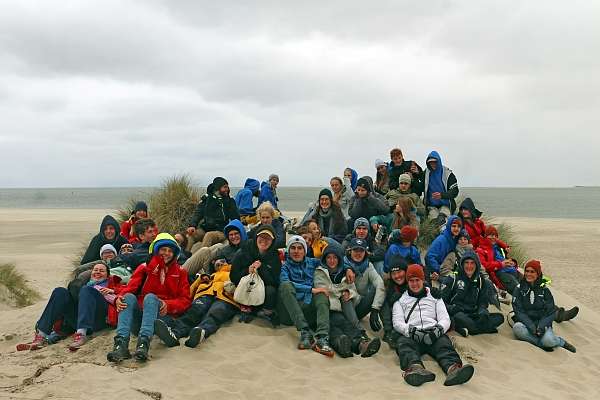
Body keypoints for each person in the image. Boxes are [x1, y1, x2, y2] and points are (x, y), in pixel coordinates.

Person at [106, 233, 191, 363]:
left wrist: (168, 305)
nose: (167, 253)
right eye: (163, 250)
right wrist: (118, 298)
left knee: (151, 297)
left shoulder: (181, 272)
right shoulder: (144, 268)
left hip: (162, 317)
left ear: (175, 254)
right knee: (127, 297)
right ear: (156, 250)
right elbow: (129, 288)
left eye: (170, 251)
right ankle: (121, 344)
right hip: (140, 317)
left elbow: (185, 300)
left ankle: (143, 344)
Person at [393, 264, 475, 387]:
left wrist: (438, 330)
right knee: (404, 345)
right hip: (413, 334)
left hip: (433, 332)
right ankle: (415, 368)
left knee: (444, 345)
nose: (415, 284)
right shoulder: (400, 300)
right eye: (411, 281)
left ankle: (453, 369)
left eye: (417, 280)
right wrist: (412, 332)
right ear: (407, 282)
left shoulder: (435, 296)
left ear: (423, 280)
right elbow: (397, 322)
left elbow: (444, 317)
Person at [18, 263, 123, 351]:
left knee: (86, 290)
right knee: (60, 291)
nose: (98, 272)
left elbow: (126, 291)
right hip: (79, 319)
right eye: (95, 270)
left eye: (102, 270)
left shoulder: (112, 284)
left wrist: (113, 292)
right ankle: (41, 335)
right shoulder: (84, 285)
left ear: (108, 275)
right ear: (91, 274)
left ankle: (81, 335)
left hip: (99, 320)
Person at [153, 261, 239, 348]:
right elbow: (190, 290)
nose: (220, 264)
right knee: (193, 313)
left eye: (222, 262)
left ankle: (201, 332)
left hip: (225, 298)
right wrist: (200, 280)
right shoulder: (210, 276)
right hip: (204, 295)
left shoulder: (234, 272)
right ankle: (175, 333)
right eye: (217, 264)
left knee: (215, 314)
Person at [278, 236, 334, 357]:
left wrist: (349, 268)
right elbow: (285, 282)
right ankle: (305, 332)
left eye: (300, 248)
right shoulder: (284, 267)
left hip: (307, 309)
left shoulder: (312, 262)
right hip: (289, 313)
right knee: (286, 286)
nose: (296, 251)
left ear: (305, 250)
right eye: (293, 248)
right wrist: (311, 289)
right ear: (289, 250)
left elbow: (333, 261)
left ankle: (322, 338)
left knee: (322, 293)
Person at [512, 260, 576, 353]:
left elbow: (550, 313)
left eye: (532, 272)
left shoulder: (545, 290)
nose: (528, 274)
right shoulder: (519, 289)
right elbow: (519, 311)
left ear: (538, 274)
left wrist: (541, 327)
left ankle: (560, 342)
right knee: (517, 328)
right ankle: (541, 344)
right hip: (526, 324)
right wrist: (531, 326)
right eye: (527, 271)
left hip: (543, 325)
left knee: (548, 340)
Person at [441, 251, 504, 337]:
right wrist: (452, 308)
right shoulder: (452, 279)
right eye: (466, 263)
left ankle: (470, 328)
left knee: (500, 318)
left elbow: (482, 302)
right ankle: (480, 329)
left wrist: (482, 311)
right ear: (462, 264)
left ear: (476, 265)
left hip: (474, 314)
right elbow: (441, 302)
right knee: (460, 318)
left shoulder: (481, 281)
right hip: (457, 313)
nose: (469, 266)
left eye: (472, 263)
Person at [230, 225, 282, 322]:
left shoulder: (275, 256)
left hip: (262, 291)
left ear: (272, 241)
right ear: (256, 237)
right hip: (246, 288)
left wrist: (262, 268)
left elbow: (275, 281)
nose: (264, 240)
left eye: (268, 238)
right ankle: (245, 308)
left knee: (271, 291)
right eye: (261, 237)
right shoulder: (244, 251)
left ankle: (261, 311)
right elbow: (233, 276)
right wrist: (247, 271)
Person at [187, 177, 240, 251]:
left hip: (221, 231)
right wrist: (192, 225)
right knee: (191, 234)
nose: (227, 189)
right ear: (218, 188)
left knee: (209, 235)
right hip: (205, 229)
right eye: (224, 187)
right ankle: (185, 255)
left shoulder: (229, 200)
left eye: (227, 187)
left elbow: (235, 218)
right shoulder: (207, 199)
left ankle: (201, 257)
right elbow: (198, 213)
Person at [183, 219, 247, 278]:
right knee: (205, 249)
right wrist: (216, 263)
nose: (234, 237)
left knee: (211, 242)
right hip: (217, 275)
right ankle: (181, 272)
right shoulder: (225, 250)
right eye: (231, 235)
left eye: (236, 233)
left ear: (241, 233)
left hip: (231, 277)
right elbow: (213, 265)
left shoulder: (249, 246)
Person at [343, 238, 386, 328]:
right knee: (345, 295)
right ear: (350, 251)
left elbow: (380, 284)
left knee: (380, 288)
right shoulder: (341, 263)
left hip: (359, 307)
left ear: (365, 252)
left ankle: (386, 329)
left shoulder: (368, 266)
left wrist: (375, 309)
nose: (358, 253)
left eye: (361, 250)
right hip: (343, 307)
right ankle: (358, 330)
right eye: (355, 250)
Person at [477, 226, 520, 294]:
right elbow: (484, 266)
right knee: (518, 289)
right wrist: (501, 264)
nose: (493, 237)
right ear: (485, 236)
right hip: (498, 273)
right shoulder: (481, 250)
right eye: (491, 235)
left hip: (508, 270)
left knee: (524, 284)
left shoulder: (497, 247)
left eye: (495, 235)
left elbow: (504, 258)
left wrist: (512, 262)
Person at [422, 151, 459, 222]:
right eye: (430, 162)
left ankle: (445, 231)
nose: (433, 164)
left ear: (439, 161)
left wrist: (442, 195)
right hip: (432, 206)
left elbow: (455, 191)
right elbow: (420, 187)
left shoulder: (448, 174)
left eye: (435, 162)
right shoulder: (426, 173)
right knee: (434, 221)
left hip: (446, 205)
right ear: (428, 163)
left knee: (443, 219)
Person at [425, 215, 462, 283]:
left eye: (459, 226)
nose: (456, 228)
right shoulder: (441, 240)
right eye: (454, 226)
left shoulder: (455, 238)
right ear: (448, 226)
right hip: (436, 271)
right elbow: (429, 257)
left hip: (447, 267)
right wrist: (439, 269)